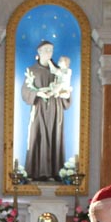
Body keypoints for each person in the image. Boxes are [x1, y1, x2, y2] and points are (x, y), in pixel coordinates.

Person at [21, 41, 70, 180]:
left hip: (55, 108)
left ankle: (55, 172)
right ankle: (37, 172)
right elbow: (25, 91)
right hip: (39, 108)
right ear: (39, 51)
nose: (49, 52)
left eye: (51, 50)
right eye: (46, 49)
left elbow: (66, 88)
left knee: (55, 136)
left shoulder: (59, 70)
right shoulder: (32, 70)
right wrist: (38, 93)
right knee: (38, 135)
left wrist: (62, 93)